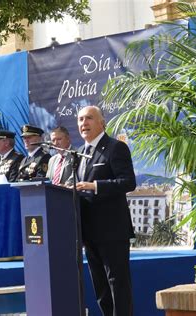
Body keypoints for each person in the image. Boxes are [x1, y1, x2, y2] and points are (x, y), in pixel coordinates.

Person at [75, 106, 136, 316]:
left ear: (102, 123)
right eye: (81, 119)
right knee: (101, 289)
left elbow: (128, 182)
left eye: (89, 118)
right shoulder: (80, 153)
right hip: (89, 232)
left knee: (117, 285)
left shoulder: (115, 147)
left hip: (112, 231)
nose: (84, 123)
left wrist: (95, 186)